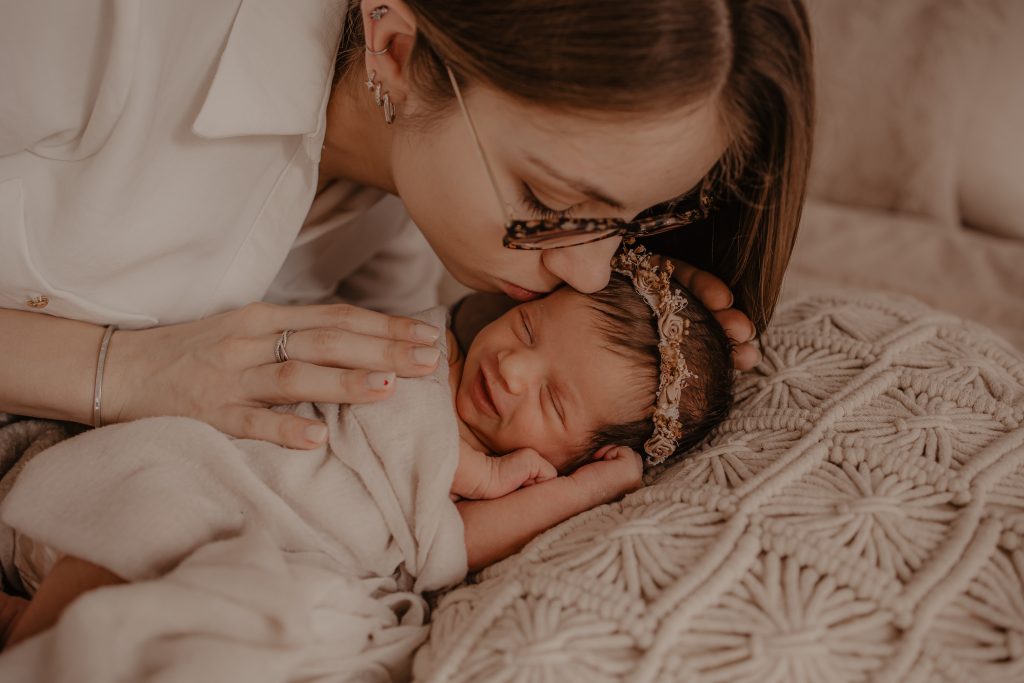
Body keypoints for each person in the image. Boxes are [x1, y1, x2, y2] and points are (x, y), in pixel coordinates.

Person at [0, 0, 812, 452]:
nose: (592, 270)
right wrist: (118, 370)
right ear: (393, 47)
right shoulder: (103, 29)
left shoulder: (398, 206)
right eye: (546, 202)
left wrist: (637, 341)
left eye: (635, 220)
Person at [0, 246, 733, 649]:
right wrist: (471, 463)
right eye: (532, 331)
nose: (513, 368)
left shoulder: (521, 485)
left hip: (271, 534)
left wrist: (582, 493)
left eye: (553, 398)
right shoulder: (424, 346)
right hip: (217, 474)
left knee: (193, 612)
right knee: (141, 529)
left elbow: (450, 544)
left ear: (583, 455)